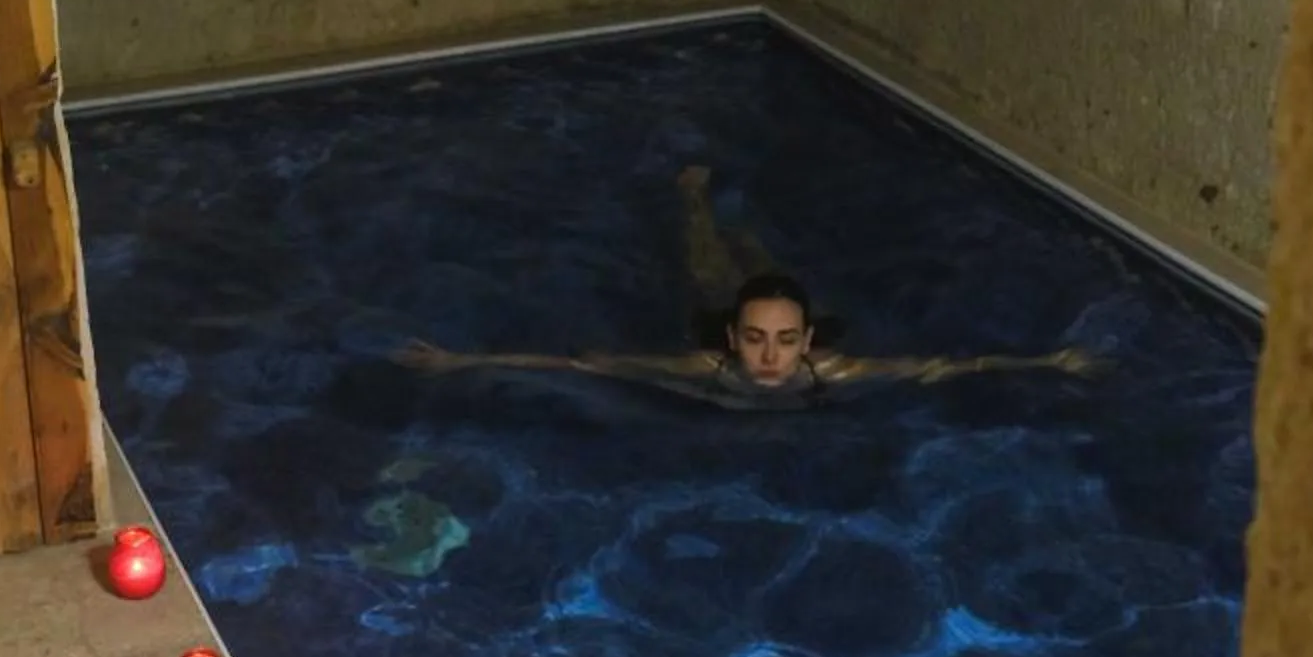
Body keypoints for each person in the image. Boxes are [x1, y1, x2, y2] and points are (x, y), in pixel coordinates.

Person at [396, 166, 1098, 410]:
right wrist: (463, 362)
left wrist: (1050, 366)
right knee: (707, 268)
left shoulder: (837, 368)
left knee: (763, 266)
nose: (769, 358)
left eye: (785, 342)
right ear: (735, 340)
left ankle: (743, 230)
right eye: (757, 341)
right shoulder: (705, 360)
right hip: (709, 308)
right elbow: (585, 363)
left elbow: (947, 369)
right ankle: (694, 201)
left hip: (787, 308)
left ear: (808, 341)